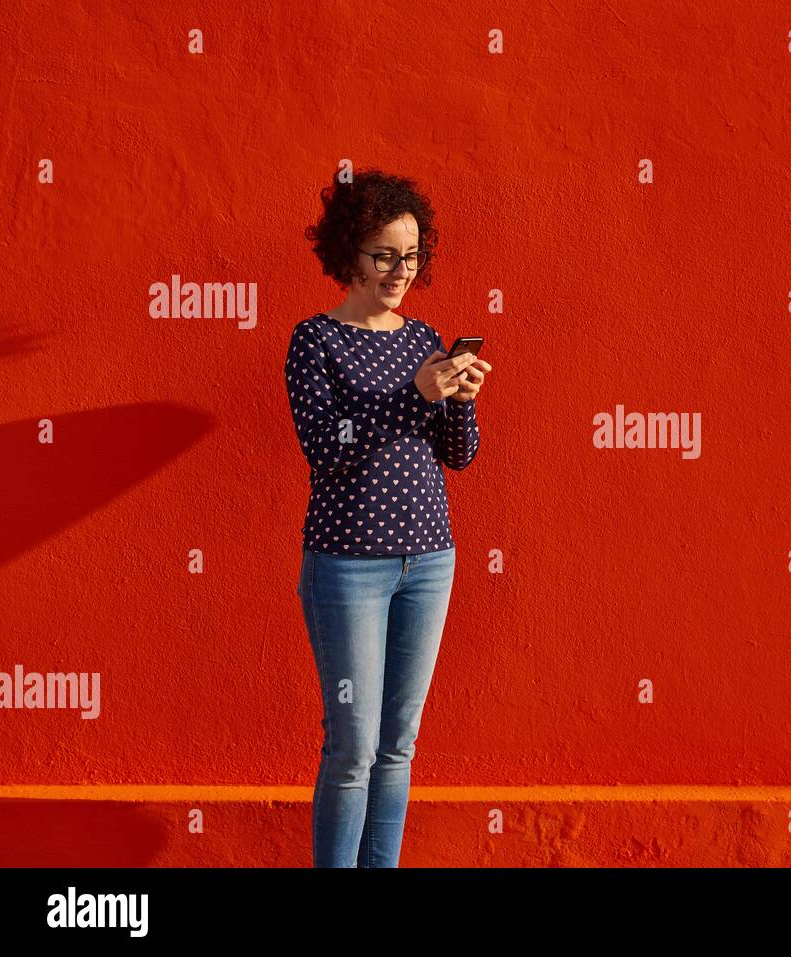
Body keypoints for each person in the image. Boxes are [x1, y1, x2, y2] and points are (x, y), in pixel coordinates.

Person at [284, 168, 492, 867]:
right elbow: (325, 446)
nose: (400, 270)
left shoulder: (423, 337)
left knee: (399, 744)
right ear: (349, 253)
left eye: (410, 255)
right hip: (348, 567)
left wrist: (458, 397)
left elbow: (457, 457)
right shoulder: (316, 341)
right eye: (383, 254)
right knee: (353, 745)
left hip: (429, 560)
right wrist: (414, 395)